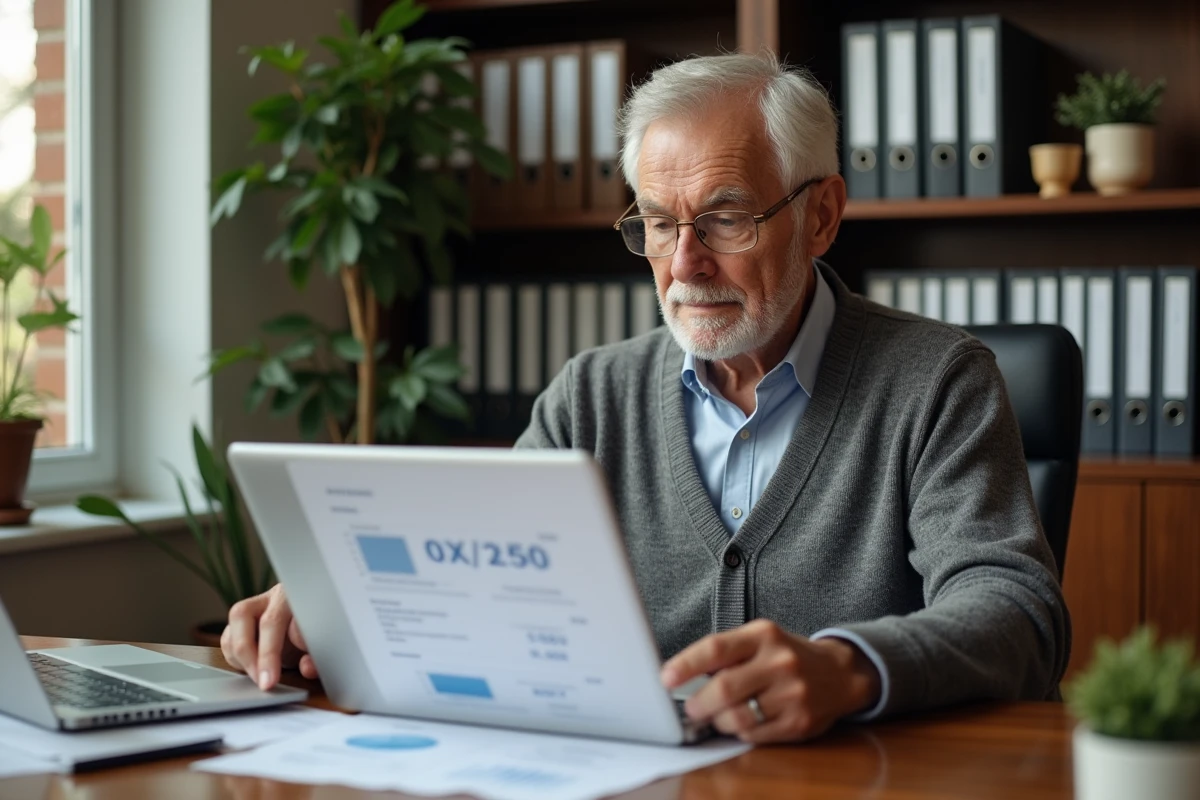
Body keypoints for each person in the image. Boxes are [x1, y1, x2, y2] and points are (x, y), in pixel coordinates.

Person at [222, 52, 1070, 744]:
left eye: (725, 218)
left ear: (821, 216)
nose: (685, 263)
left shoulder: (937, 379)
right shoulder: (591, 394)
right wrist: (340, 604)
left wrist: (848, 669)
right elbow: (479, 580)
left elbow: (1018, 615)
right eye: (659, 224)